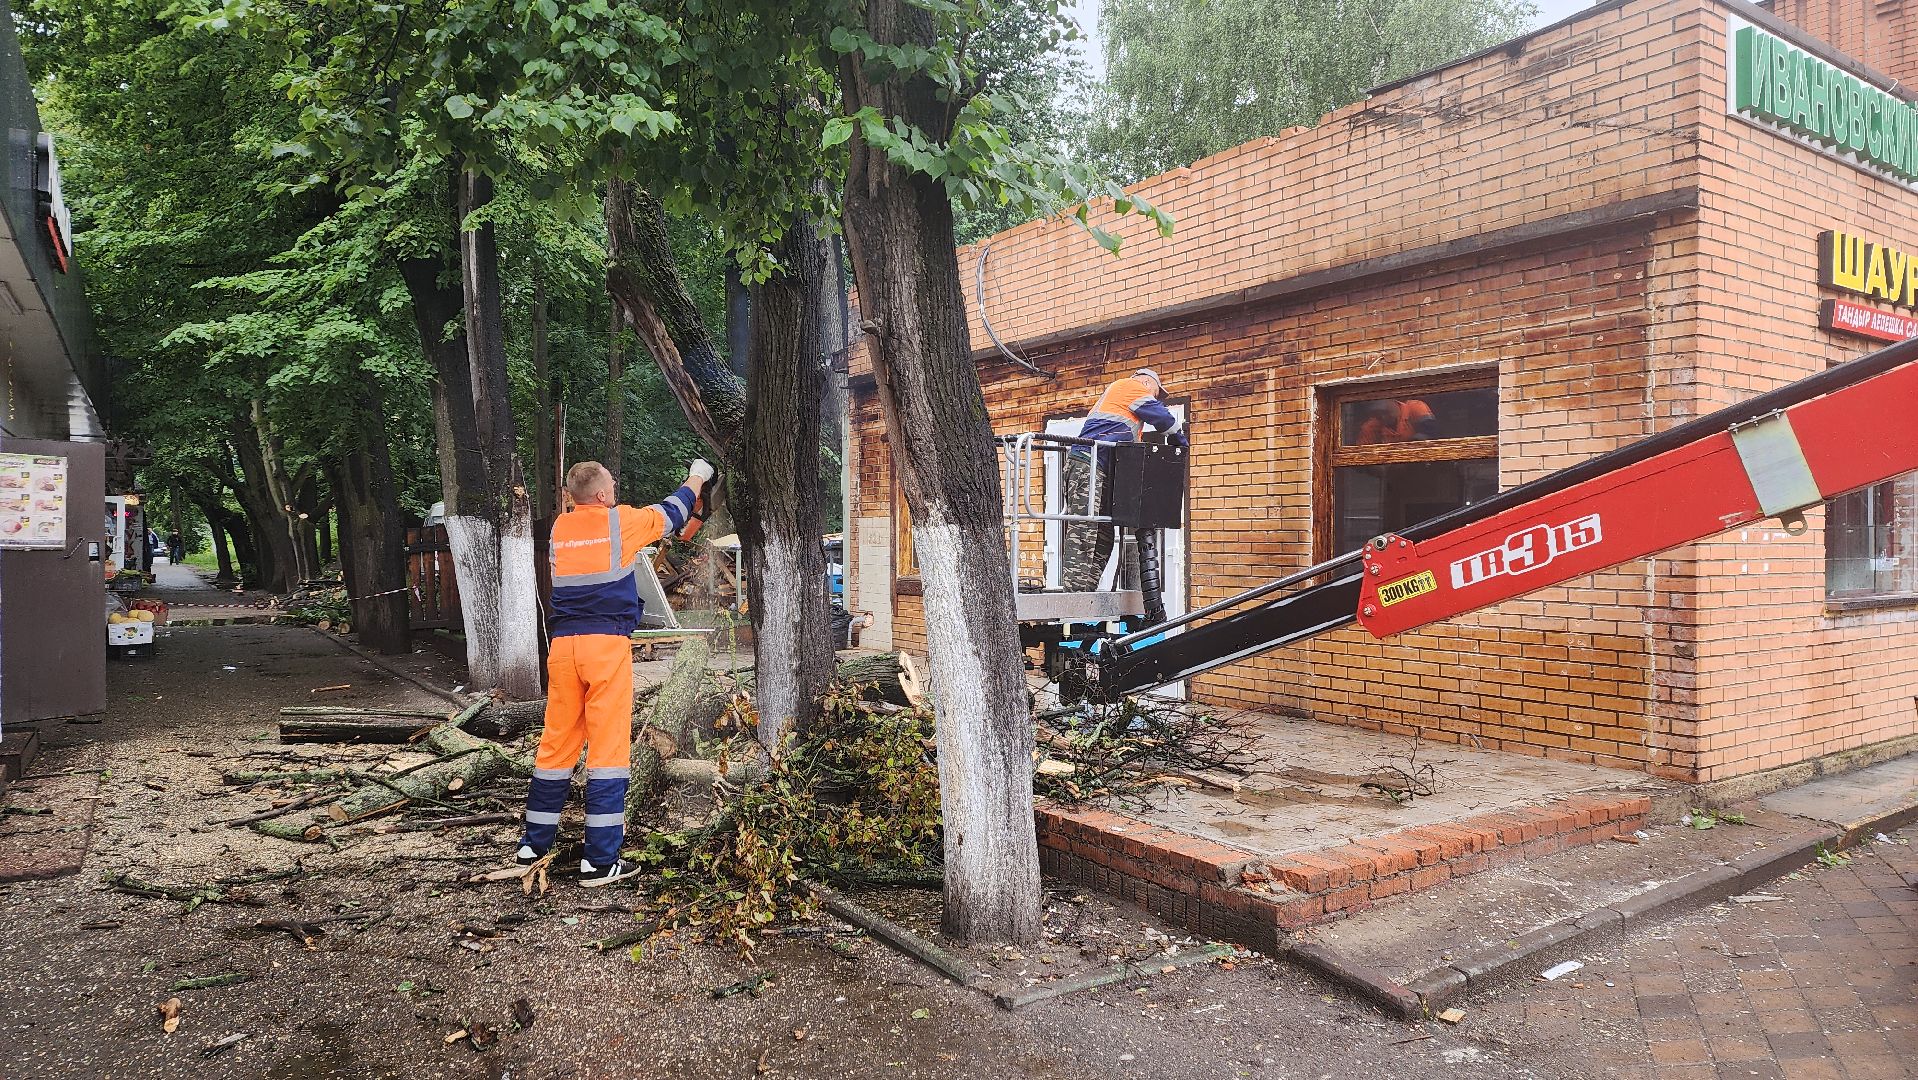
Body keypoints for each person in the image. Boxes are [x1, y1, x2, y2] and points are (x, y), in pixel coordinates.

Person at [515, 457, 715, 887]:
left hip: (563, 648)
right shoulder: (618, 523)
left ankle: (533, 845)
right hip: (604, 646)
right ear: (603, 495)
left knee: (555, 747)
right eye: (612, 484)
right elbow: (675, 512)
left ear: (572, 497)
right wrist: (699, 474)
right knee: (607, 754)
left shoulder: (560, 529)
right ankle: (600, 862)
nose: (615, 489)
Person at [1062, 368, 1185, 594]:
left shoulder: (1128, 413)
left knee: (1104, 535)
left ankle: (1086, 594)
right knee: (1084, 531)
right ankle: (1073, 599)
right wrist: (1180, 441)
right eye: (1155, 394)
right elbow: (1164, 418)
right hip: (1087, 463)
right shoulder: (1128, 387)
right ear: (1147, 384)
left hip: (1101, 468)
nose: (1154, 399)